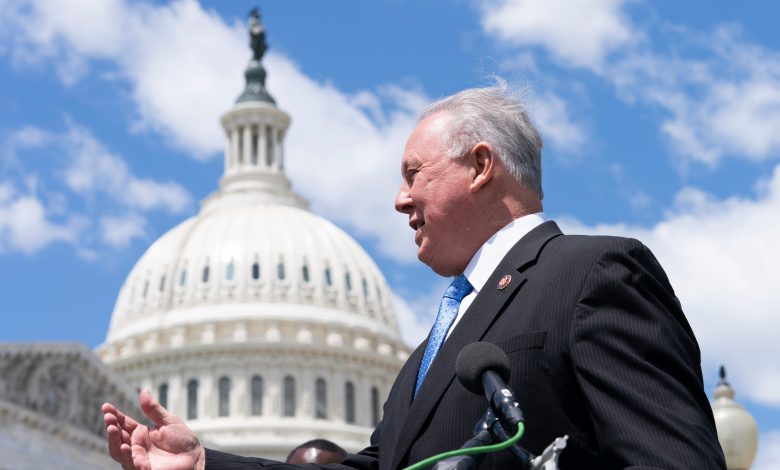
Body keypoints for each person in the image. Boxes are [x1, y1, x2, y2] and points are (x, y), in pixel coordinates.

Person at [103, 81, 727, 469]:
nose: (399, 201)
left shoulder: (589, 275)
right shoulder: (433, 354)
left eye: (413, 173)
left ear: (481, 165)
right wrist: (206, 465)